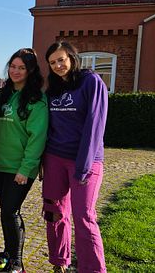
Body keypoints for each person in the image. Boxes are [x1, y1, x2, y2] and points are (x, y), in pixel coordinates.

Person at [43, 41, 107, 273]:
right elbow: (48, 126)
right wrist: (43, 161)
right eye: (52, 62)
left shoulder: (91, 82)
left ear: (71, 58)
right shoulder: (53, 88)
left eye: (61, 59)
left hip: (85, 161)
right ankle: (59, 262)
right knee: (54, 212)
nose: (58, 65)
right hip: (54, 159)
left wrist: (84, 166)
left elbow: (95, 125)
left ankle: (93, 269)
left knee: (84, 217)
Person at [0, 48, 48, 273]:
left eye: (22, 68)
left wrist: (26, 168)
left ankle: (17, 262)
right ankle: (9, 253)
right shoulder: (2, 94)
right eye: (13, 66)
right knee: (8, 211)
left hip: (19, 168)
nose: (16, 71)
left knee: (9, 211)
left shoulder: (36, 100)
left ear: (30, 71)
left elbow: (37, 138)